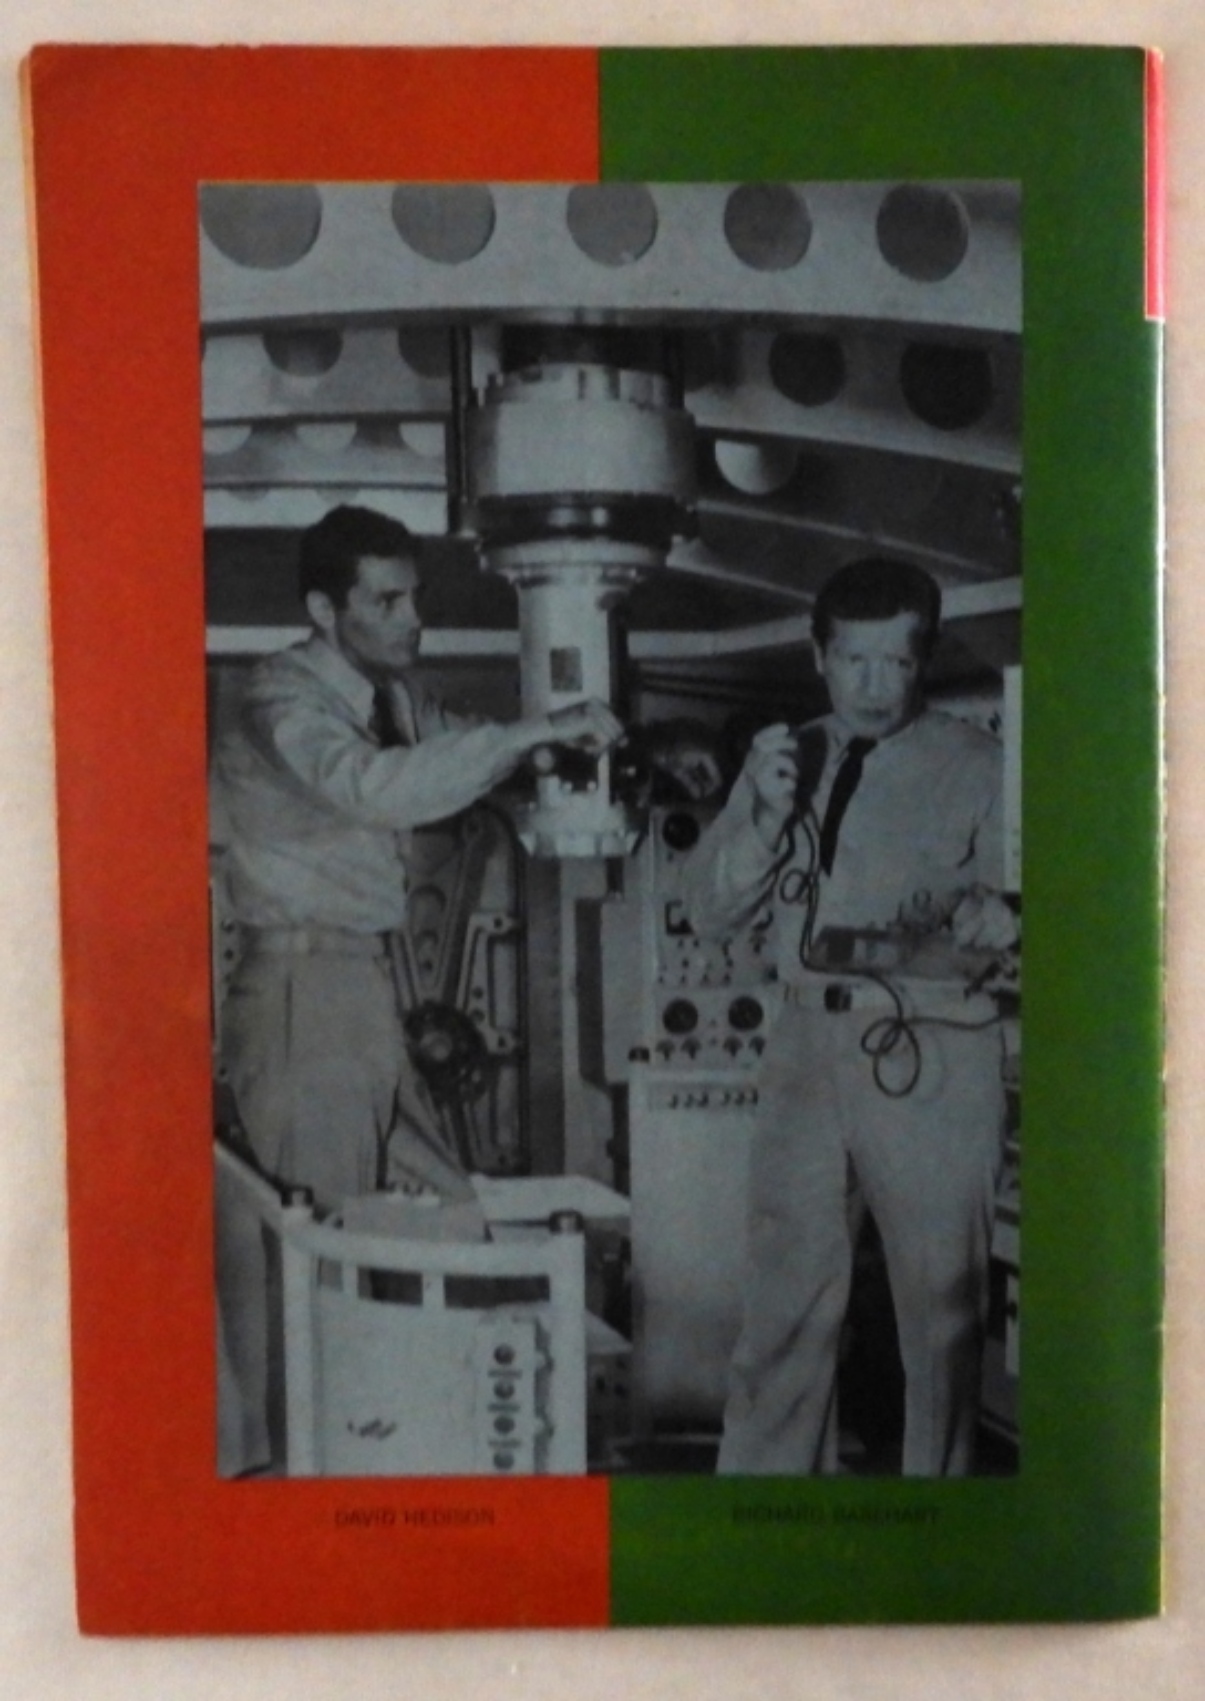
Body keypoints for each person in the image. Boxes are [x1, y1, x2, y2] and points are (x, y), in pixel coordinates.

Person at [212, 503, 621, 1473]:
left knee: (451, 1219)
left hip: (359, 996)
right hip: (302, 995)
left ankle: (438, 1446)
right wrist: (531, 732)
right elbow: (375, 787)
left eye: (415, 597)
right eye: (386, 601)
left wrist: (551, 755)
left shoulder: (391, 695)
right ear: (325, 609)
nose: (413, 619)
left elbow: (456, 748)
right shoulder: (280, 698)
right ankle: (313, 1486)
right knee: (322, 1261)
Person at [681, 557, 1018, 1477]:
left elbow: (1055, 909)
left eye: (895, 663)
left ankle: (937, 1515)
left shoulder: (983, 766)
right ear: (818, 655)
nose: (873, 687)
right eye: (853, 662)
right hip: (804, 1046)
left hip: (932, 1049)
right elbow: (708, 910)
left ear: (923, 660)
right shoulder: (783, 757)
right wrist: (761, 814)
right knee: (780, 1308)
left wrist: (1009, 914)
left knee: (941, 1318)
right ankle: (760, 1509)